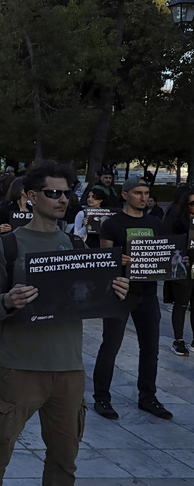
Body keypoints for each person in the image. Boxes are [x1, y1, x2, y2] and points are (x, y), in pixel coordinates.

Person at [0, 160, 130, 486]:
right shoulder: (7, 246)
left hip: (68, 367)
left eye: (66, 193)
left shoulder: (76, 247)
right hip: (17, 365)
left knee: (65, 453)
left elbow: (89, 299)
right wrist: (8, 300)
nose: (62, 200)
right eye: (53, 193)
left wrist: (114, 290)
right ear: (31, 196)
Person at [92, 176, 175, 421]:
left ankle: (148, 396)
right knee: (110, 347)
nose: (143, 197)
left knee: (150, 349)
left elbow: (163, 253)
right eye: (138, 192)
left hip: (147, 293)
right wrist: (115, 258)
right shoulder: (112, 224)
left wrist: (177, 260)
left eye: (146, 193)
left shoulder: (155, 223)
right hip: (119, 292)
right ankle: (102, 397)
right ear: (125, 195)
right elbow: (104, 259)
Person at [166, 187, 194, 356]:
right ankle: (179, 340)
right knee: (181, 304)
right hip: (182, 270)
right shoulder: (176, 222)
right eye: (192, 203)